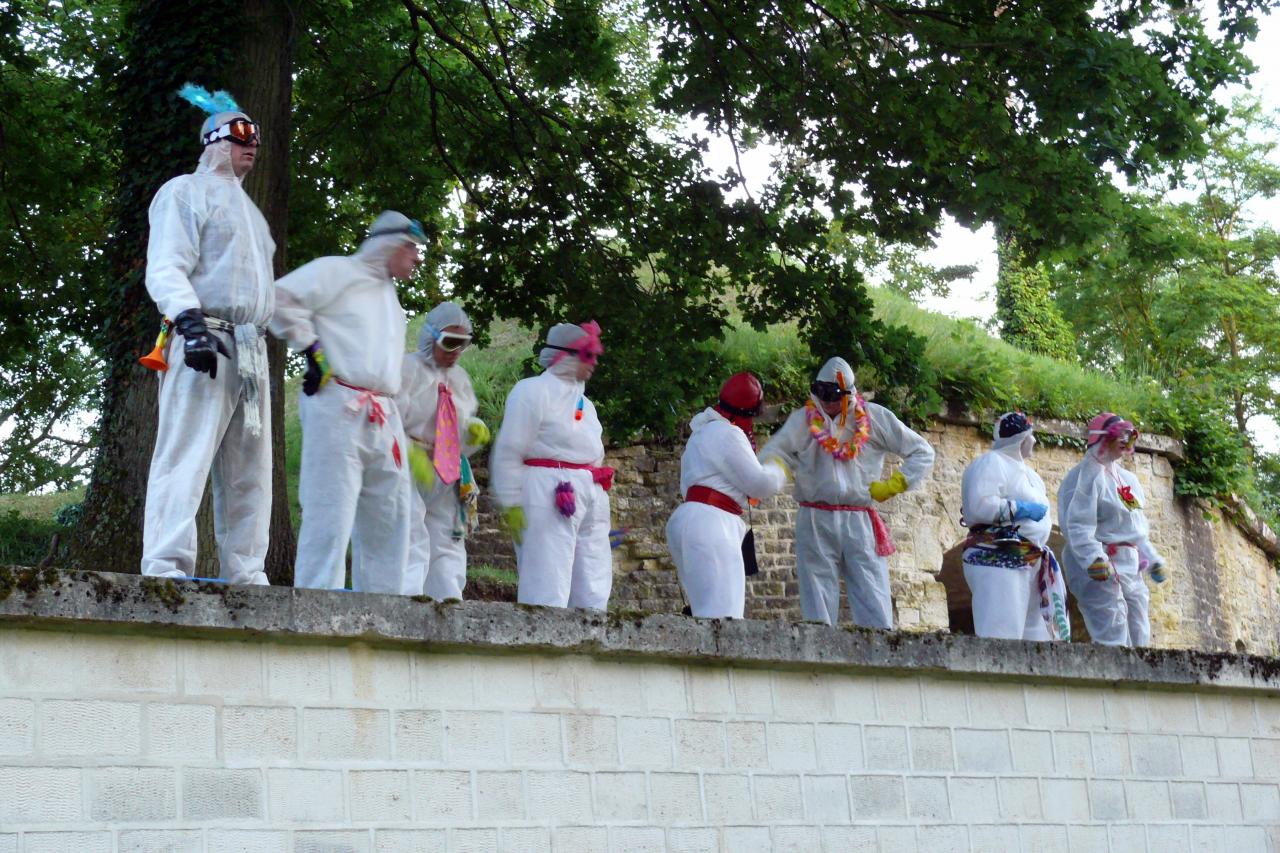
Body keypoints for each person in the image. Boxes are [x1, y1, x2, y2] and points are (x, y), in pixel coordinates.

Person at [140, 85, 275, 585]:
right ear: (213, 140)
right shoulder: (184, 191)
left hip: (250, 348)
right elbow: (166, 264)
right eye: (241, 132)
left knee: (250, 472)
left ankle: (247, 571)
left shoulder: (251, 212)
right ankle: (166, 565)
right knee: (186, 453)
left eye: (255, 135)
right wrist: (188, 321)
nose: (251, 142)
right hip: (205, 338)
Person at [271, 211, 424, 594]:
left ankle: (384, 607)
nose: (417, 257)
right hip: (338, 405)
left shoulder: (389, 296)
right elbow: (279, 298)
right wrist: (311, 348)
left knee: (391, 516)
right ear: (389, 243)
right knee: (330, 510)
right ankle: (317, 603)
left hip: (383, 414)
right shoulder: (337, 271)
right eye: (411, 247)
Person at [759, 357, 934, 627]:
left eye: (832, 397)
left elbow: (922, 452)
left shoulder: (874, 418)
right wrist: (776, 471)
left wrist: (896, 484)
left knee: (872, 590)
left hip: (859, 517)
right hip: (815, 517)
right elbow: (774, 452)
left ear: (848, 394)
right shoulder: (802, 421)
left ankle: (880, 647)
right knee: (816, 594)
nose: (826, 403)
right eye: (821, 395)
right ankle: (819, 647)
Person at [489, 321, 613, 609]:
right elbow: (510, 449)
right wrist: (512, 501)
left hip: (589, 490)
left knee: (593, 580)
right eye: (588, 355)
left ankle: (592, 633)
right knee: (547, 579)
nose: (594, 363)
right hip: (547, 490)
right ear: (564, 356)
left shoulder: (586, 404)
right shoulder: (531, 391)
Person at [666, 373, 788, 618]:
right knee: (723, 616)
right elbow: (759, 484)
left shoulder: (700, 434)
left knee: (702, 612)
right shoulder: (728, 433)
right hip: (713, 523)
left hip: (687, 518)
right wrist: (780, 467)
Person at [397, 301, 489, 599]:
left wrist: (471, 435)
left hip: (447, 468)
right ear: (431, 337)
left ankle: (448, 601)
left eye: (463, 344)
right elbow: (390, 418)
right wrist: (408, 452)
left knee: (449, 536)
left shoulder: (459, 380)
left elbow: (455, 430)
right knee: (410, 532)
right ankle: (408, 599)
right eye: (450, 342)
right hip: (409, 464)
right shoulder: (407, 369)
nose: (456, 351)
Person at [1059, 412, 1168, 646]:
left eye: (1129, 435)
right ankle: (1114, 670)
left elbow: (1135, 527)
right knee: (1112, 629)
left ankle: (1140, 668)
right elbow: (1077, 524)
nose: (1126, 440)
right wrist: (1093, 558)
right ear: (1103, 436)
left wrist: (1152, 558)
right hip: (1103, 563)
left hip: (1130, 564)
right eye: (1121, 434)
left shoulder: (1128, 479)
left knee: (1139, 628)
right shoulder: (1083, 477)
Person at [959, 412, 1069, 641]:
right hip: (998, 556)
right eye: (1031, 436)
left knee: (1038, 636)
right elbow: (978, 506)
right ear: (1021, 439)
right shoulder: (991, 462)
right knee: (1001, 630)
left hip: (1031, 557)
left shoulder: (1031, 475)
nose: (1034, 441)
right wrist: (1021, 509)